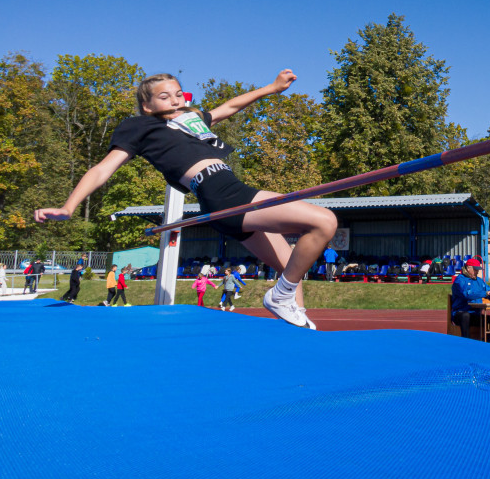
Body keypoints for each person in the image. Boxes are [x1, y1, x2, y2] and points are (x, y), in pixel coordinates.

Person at [34, 69, 337, 329]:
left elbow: (229, 106)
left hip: (229, 193)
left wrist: (272, 88)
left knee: (290, 273)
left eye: (178, 93)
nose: (175, 99)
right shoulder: (140, 127)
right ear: (147, 104)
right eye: (164, 96)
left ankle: (299, 330)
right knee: (324, 221)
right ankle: (280, 297)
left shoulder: (192, 120)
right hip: (222, 195)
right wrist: (68, 206)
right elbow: (103, 168)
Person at [450, 258, 490, 338]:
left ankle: (483, 341)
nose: (477, 272)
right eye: (475, 269)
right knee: (465, 316)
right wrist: (485, 293)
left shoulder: (479, 281)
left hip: (475, 314)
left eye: (478, 270)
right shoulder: (460, 280)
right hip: (460, 313)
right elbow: (467, 294)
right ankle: (466, 341)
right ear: (468, 268)